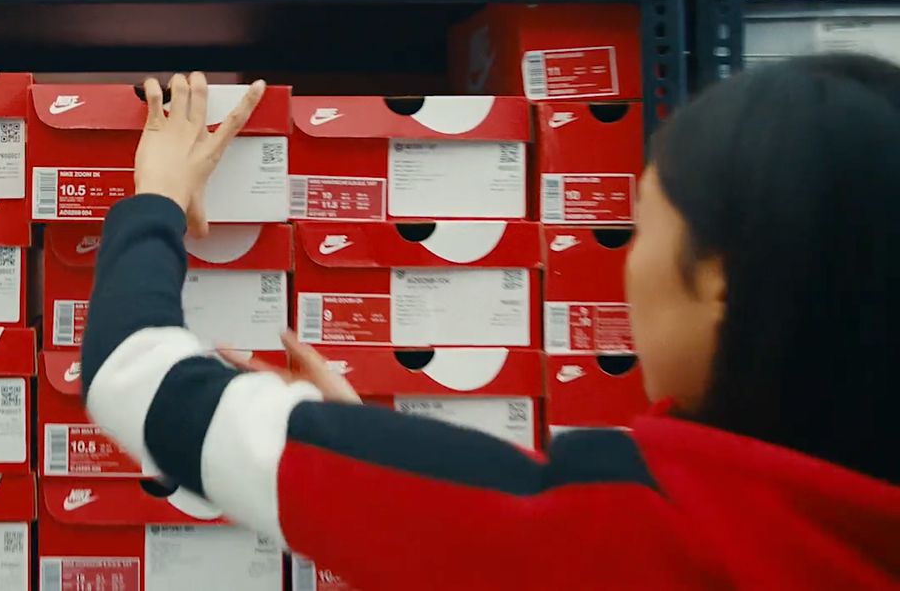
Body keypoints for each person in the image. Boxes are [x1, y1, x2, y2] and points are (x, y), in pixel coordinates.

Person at [79, 58, 900, 591]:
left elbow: (134, 376)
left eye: (643, 226)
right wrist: (370, 450)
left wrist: (152, 198)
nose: (625, 262)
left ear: (721, 278)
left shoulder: (616, 533)